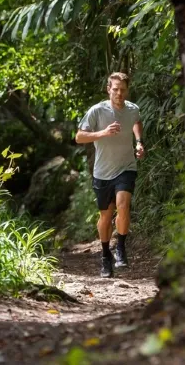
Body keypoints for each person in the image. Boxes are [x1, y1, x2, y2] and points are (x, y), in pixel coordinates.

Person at [75, 72, 145, 278]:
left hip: (126, 167)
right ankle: (106, 256)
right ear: (109, 89)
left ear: (127, 90)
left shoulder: (133, 109)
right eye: (115, 89)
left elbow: (136, 122)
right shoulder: (97, 111)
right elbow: (79, 137)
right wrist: (102, 133)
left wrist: (139, 142)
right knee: (105, 216)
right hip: (102, 172)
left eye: (123, 89)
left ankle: (121, 248)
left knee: (123, 205)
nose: (119, 93)